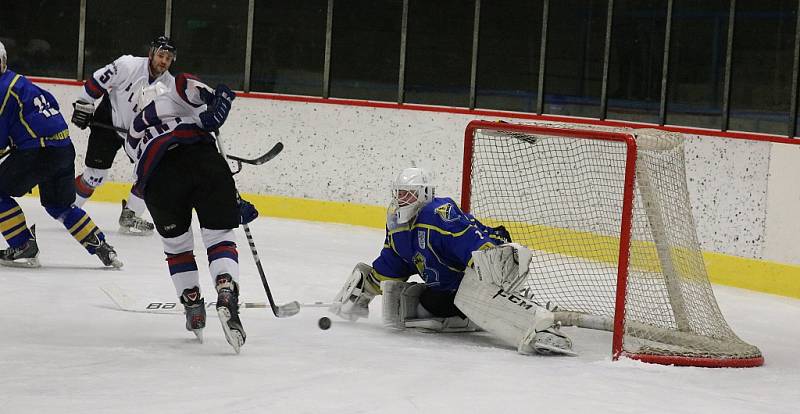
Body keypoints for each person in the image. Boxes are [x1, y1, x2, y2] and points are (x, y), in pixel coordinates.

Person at [329, 167, 575, 356]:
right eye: (399, 194)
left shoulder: (439, 215)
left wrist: (491, 285)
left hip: (495, 258)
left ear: (424, 194)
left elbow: (476, 248)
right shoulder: (398, 222)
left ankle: (538, 326)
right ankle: (475, 312)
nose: (402, 200)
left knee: (470, 295)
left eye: (408, 194)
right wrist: (369, 286)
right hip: (454, 284)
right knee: (428, 303)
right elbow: (396, 261)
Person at [126, 72, 257, 353]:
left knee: (177, 248)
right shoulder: (169, 99)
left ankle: (193, 305)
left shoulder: (133, 132)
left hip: (158, 181)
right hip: (204, 163)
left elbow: (139, 171)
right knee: (219, 235)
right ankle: (225, 289)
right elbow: (186, 82)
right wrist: (217, 99)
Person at [0, 40, 122, 268]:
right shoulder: (20, 81)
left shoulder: (1, 90)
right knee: (60, 205)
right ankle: (102, 247)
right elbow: (51, 103)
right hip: (63, 148)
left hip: (38, 152)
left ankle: (22, 244)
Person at [70, 35, 177, 236]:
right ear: (151, 53)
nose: (164, 61)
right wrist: (85, 104)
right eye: (161, 55)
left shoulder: (171, 86)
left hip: (138, 134)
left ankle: (130, 215)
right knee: (95, 176)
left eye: (168, 58)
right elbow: (96, 81)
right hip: (109, 121)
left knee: (152, 174)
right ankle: (68, 209)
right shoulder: (128, 65)